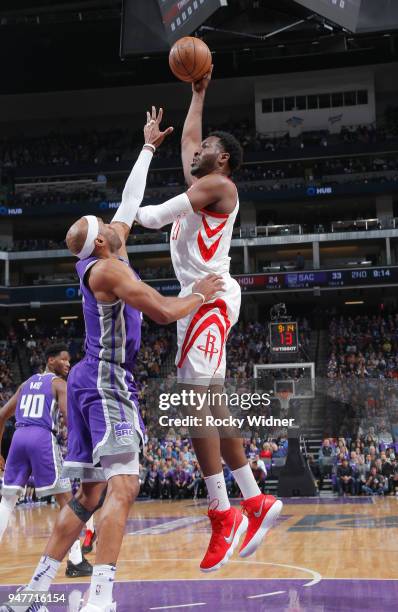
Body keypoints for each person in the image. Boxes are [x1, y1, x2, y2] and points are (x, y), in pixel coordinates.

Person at [0, 109, 223, 612]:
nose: (115, 219)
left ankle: (34, 591)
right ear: (102, 242)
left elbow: (129, 199)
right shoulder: (108, 273)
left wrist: (147, 148)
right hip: (105, 379)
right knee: (126, 484)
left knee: (88, 496)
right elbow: (165, 311)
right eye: (107, 224)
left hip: (85, 377)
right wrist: (202, 294)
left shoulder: (103, 247)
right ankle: (100, 596)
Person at [135, 72, 283, 572]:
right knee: (209, 402)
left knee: (196, 403)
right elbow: (193, 138)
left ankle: (222, 512)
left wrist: (116, 214)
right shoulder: (205, 179)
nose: (192, 152)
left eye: (204, 151)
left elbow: (152, 217)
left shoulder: (218, 184)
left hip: (210, 299)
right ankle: (252, 499)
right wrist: (197, 93)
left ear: (221, 160)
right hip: (200, 300)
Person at [0, 343, 92, 578]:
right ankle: (75, 560)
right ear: (50, 361)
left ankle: (76, 558)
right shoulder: (59, 384)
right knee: (67, 502)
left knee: (7, 501)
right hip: (41, 438)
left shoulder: (24, 385)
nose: (68, 363)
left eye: (69, 360)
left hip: (18, 438)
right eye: (64, 359)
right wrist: (80, 450)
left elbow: (1, 416)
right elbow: (69, 420)